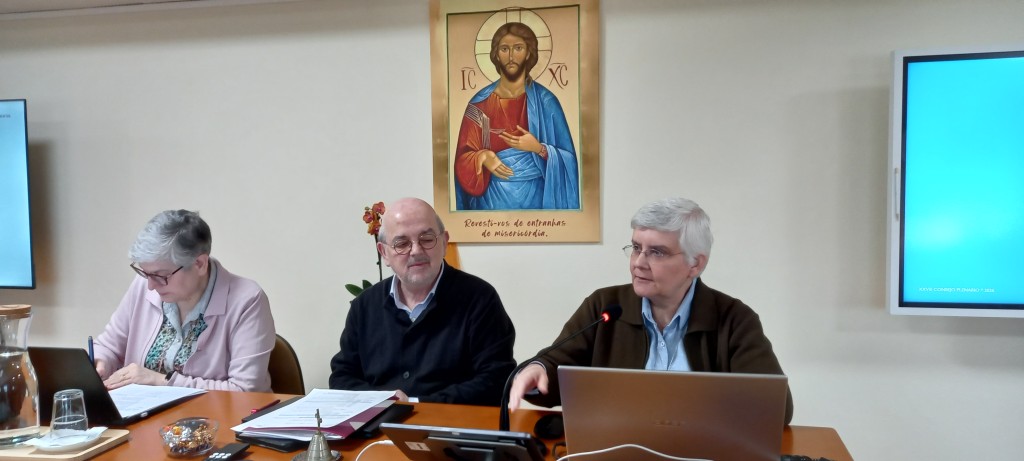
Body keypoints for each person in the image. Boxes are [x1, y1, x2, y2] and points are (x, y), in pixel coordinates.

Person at [508, 198, 795, 424]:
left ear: (696, 264)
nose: (638, 263)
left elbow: (776, 409)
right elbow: (555, 369)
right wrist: (537, 369)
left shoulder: (733, 319)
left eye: (657, 252)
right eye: (635, 248)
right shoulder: (605, 307)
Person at [329, 198, 516, 405]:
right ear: (384, 253)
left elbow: (497, 380)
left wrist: (416, 403)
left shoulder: (480, 299)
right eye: (401, 244)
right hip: (377, 428)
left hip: (451, 430)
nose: (416, 251)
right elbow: (342, 378)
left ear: (444, 242)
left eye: (426, 239)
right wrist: (383, 401)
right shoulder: (364, 306)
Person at [93, 210, 276, 392]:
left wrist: (161, 381)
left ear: (199, 264)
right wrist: (101, 362)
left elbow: (244, 390)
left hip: (221, 418)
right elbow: (109, 346)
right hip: (147, 415)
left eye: (161, 275)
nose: (150, 286)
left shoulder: (247, 300)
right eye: (145, 273)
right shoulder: (143, 285)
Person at [453, 21, 580, 211]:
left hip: (538, 203)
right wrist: (482, 156)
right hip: (491, 205)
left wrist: (539, 148)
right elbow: (462, 160)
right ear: (496, 54)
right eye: (504, 49)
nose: (511, 56)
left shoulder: (546, 102)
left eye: (518, 48)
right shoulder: (479, 104)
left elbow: (569, 160)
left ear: (529, 53)